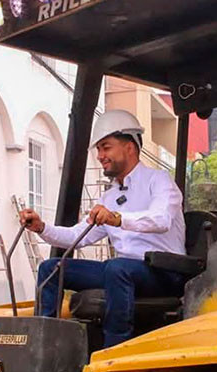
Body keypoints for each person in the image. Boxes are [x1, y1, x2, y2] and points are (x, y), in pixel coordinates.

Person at [19, 110, 186, 348]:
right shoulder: (110, 196)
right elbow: (78, 235)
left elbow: (161, 220)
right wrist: (41, 227)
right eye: (98, 150)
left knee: (117, 268)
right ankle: (44, 347)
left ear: (129, 147)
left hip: (164, 272)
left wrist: (117, 219)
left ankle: (113, 351)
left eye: (106, 148)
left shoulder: (159, 181)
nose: (100, 156)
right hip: (122, 272)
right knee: (51, 269)